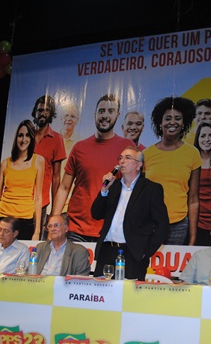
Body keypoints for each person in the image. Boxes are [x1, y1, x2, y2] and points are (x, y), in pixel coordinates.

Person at [52, 94, 135, 242]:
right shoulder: (79, 147)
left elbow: (135, 188)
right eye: (101, 111)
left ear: (117, 115)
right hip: (76, 229)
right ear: (95, 114)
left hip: (111, 230)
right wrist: (55, 220)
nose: (105, 115)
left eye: (110, 111)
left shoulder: (127, 148)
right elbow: (64, 187)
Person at [91, 146, 169, 280]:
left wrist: (145, 252)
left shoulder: (151, 189)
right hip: (107, 251)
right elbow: (96, 214)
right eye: (120, 158)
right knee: (102, 291)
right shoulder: (113, 186)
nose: (122, 161)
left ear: (139, 165)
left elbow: (163, 225)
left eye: (128, 158)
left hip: (133, 253)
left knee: (129, 292)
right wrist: (104, 190)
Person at [143, 96, 201, 245]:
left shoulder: (193, 154)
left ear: (184, 123)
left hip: (179, 226)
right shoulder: (146, 154)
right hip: (150, 223)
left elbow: (193, 200)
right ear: (160, 123)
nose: (172, 122)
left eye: (178, 118)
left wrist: (193, 237)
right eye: (168, 118)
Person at [0, 119, 45, 240]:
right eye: (20, 135)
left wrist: (37, 231)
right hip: (3, 217)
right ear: (16, 138)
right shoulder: (5, 163)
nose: (23, 139)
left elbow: (38, 198)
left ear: (32, 138)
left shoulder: (38, 161)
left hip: (25, 219)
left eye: (27, 135)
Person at [31, 95, 67, 238]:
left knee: (36, 243)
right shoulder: (26, 136)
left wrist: (54, 211)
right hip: (21, 200)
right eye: (40, 110)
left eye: (46, 110)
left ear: (51, 114)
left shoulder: (56, 138)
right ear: (35, 112)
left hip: (41, 201)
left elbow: (56, 177)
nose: (42, 113)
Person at [59, 102, 81, 215]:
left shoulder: (80, 144)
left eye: (72, 116)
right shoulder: (53, 140)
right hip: (45, 202)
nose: (69, 119)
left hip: (67, 206)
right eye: (66, 115)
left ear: (77, 120)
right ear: (61, 118)